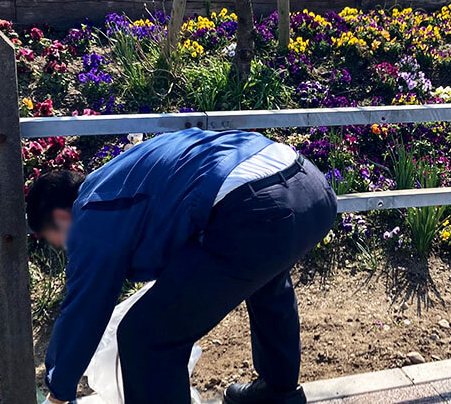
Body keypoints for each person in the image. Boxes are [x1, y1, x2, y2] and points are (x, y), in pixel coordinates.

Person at [27, 128, 337, 404]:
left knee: (145, 335)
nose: (65, 248)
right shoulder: (122, 175)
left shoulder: (92, 209)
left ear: (60, 218)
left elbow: (86, 307)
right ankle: (279, 392)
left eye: (55, 240)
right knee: (266, 278)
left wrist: (58, 391)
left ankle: (278, 392)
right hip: (310, 187)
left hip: (257, 206)